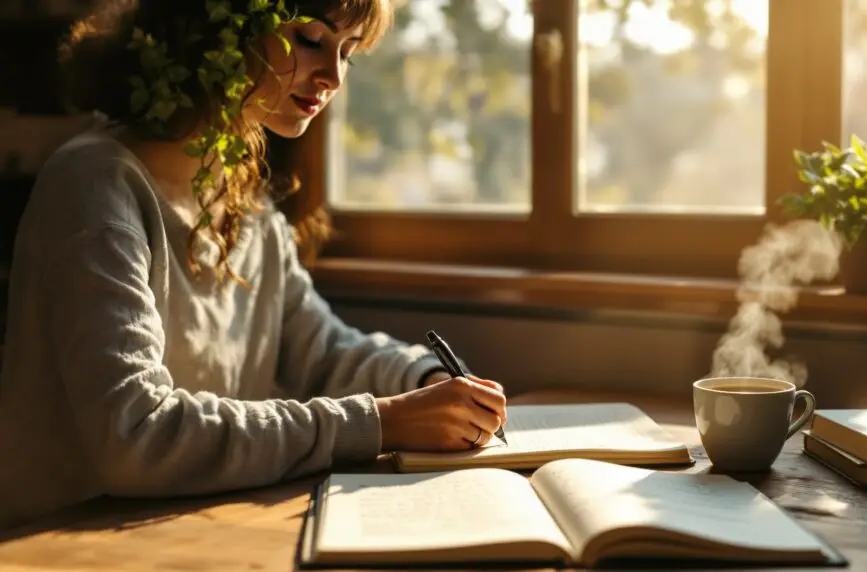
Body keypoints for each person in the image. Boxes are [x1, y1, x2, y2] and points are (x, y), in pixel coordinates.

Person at [0, 0, 506, 529]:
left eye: (348, 54)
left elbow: (321, 350)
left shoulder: (245, 200)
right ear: (221, 27)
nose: (333, 76)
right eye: (311, 40)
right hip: (60, 544)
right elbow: (137, 435)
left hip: (189, 531)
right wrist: (381, 421)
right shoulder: (96, 187)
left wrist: (423, 378)